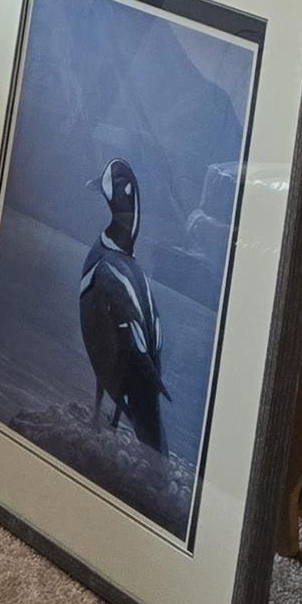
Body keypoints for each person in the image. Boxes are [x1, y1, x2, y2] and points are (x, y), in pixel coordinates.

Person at [76, 158, 166, 449]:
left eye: (111, 183)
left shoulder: (107, 270)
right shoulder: (133, 274)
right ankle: (112, 419)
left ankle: (109, 418)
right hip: (135, 365)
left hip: (131, 368)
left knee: (122, 365)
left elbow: (132, 343)